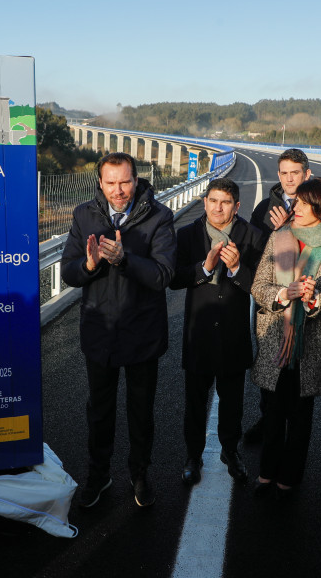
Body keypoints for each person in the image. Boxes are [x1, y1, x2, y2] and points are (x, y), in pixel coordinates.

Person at [61, 152, 176, 509]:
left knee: (141, 411)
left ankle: (139, 473)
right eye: (110, 182)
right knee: (99, 410)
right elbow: (68, 272)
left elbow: (163, 275)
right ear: (100, 183)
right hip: (100, 331)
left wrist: (124, 260)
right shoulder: (84, 215)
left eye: (125, 181)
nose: (118, 190)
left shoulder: (159, 217)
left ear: (137, 180)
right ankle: (99, 474)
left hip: (142, 333)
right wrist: (91, 263)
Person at [250, 178, 321, 498]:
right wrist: (283, 294)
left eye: (305, 205)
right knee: (272, 412)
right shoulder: (281, 238)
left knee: (300, 416)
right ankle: (266, 471)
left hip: (310, 347)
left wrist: (312, 300)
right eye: (298, 203)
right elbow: (258, 286)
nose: (297, 208)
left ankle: (289, 477)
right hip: (275, 342)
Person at [169, 178, 263, 485]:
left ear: (236, 206)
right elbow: (175, 278)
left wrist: (236, 270)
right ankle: (192, 456)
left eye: (225, 203)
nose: (217, 208)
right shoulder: (188, 235)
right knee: (195, 402)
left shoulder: (252, 236)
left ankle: (230, 451)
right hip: (199, 334)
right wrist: (205, 269)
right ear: (204, 201)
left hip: (234, 335)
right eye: (212, 201)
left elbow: (259, 288)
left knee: (233, 402)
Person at [246, 148, 312, 442]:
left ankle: (293, 423)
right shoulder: (263, 209)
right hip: (271, 294)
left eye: (295, 173)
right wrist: (274, 234)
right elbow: (253, 253)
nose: (289, 179)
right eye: (284, 173)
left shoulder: (317, 205)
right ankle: (267, 417)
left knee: (299, 362)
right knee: (268, 358)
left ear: (306, 174)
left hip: (306, 293)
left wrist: (289, 230)